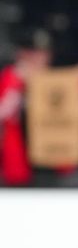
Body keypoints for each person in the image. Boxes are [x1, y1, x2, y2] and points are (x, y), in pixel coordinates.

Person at [0, 26, 52, 186]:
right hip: (16, 164)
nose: (38, 59)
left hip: (50, 159)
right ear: (21, 54)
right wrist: (18, 84)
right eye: (32, 54)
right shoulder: (8, 79)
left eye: (42, 54)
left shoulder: (57, 81)